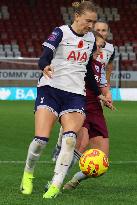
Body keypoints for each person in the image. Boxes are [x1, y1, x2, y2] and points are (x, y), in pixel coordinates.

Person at [20, 1, 102, 199]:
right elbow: (44, 57)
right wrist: (44, 66)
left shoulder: (91, 39)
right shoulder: (60, 32)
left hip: (75, 94)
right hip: (50, 89)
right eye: (87, 21)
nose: (90, 25)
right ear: (76, 17)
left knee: (70, 138)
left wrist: (98, 92)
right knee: (40, 140)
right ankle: (28, 174)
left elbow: (87, 69)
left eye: (93, 21)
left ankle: (55, 185)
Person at [51, 20, 115, 190]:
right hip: (79, 104)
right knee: (81, 142)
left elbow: (102, 85)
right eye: (97, 46)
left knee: (103, 160)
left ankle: (75, 180)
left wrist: (106, 96)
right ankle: (55, 182)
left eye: (102, 46)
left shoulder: (99, 66)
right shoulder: (78, 63)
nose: (100, 50)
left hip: (96, 109)